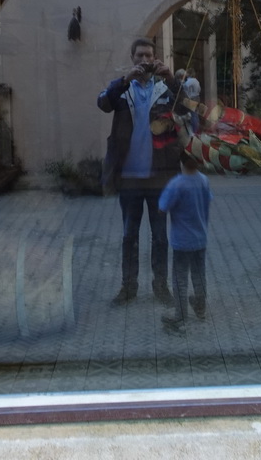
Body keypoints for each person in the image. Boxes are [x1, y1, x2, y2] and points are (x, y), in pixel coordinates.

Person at [98, 37, 183, 307]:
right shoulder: (123, 89)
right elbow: (103, 103)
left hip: (160, 176)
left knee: (160, 237)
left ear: (156, 59)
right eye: (140, 57)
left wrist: (171, 79)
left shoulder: (164, 89)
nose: (145, 61)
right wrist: (124, 80)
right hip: (129, 178)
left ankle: (161, 286)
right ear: (133, 59)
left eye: (149, 56)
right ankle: (128, 287)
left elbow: (187, 107)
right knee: (128, 235)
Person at [159, 151, 212, 333]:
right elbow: (207, 202)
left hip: (181, 240)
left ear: (181, 163)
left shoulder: (177, 184)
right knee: (199, 275)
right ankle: (200, 307)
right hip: (200, 238)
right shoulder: (204, 180)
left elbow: (162, 207)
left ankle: (180, 317)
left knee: (179, 279)